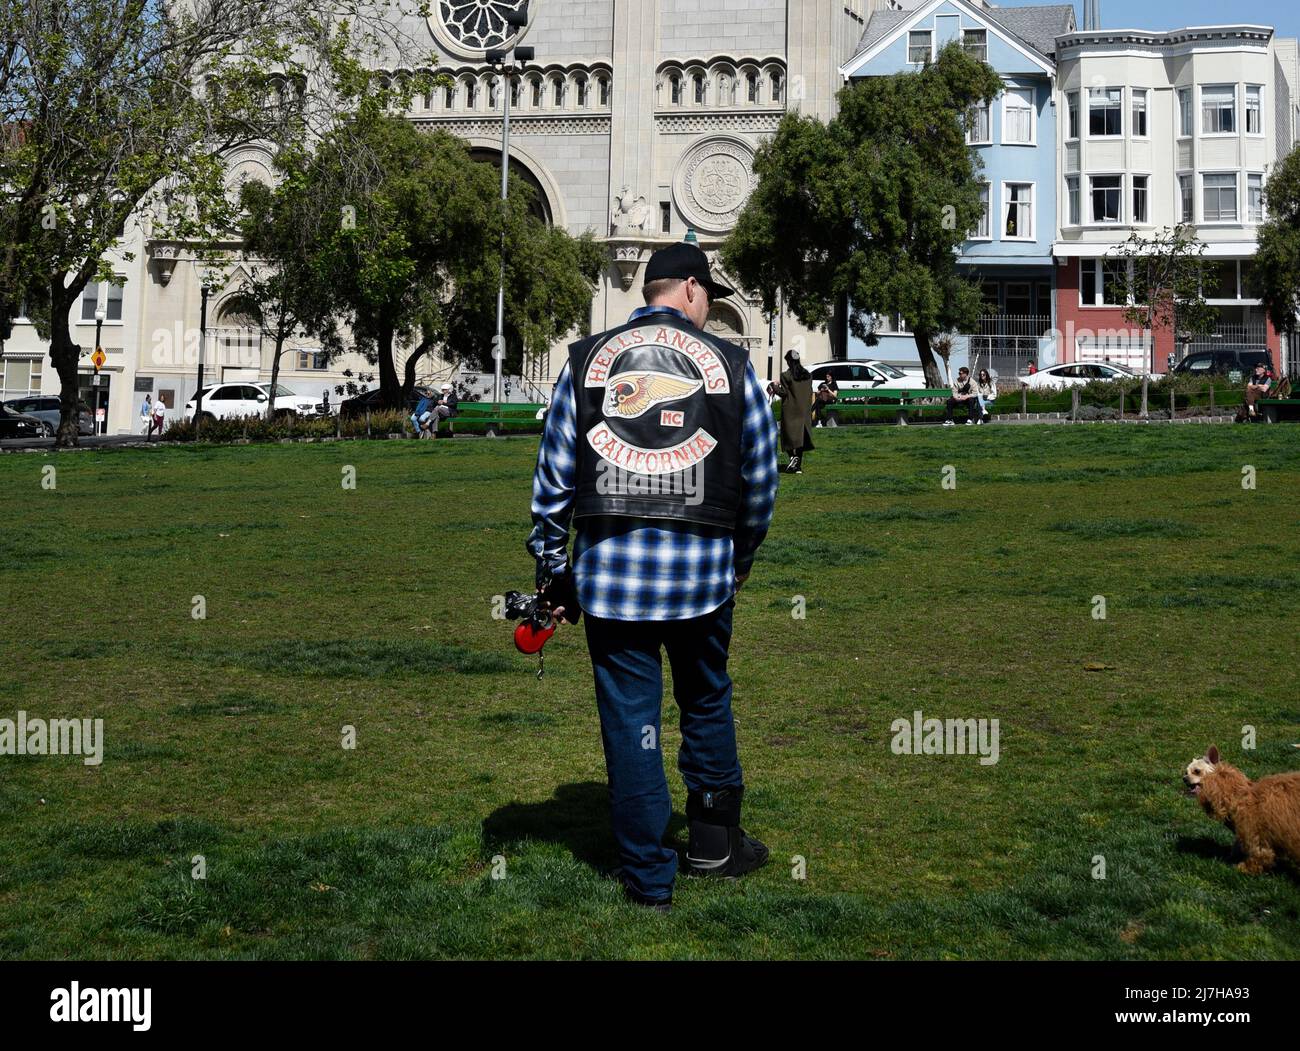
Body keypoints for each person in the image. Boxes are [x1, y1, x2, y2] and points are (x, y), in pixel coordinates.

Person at [526, 240, 779, 913]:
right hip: (701, 578)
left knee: (631, 722)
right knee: (705, 700)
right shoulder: (733, 363)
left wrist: (555, 566)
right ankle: (715, 843)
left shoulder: (584, 362)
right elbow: (761, 478)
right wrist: (741, 555)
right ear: (693, 291)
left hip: (611, 581)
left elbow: (552, 482)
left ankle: (648, 881)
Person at [775, 348, 814, 472]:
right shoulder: (808, 375)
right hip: (804, 410)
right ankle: (797, 466)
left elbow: (784, 393)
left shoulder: (785, 376)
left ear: (789, 361)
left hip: (790, 410)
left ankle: (793, 457)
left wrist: (774, 387)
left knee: (787, 437)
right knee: (801, 438)